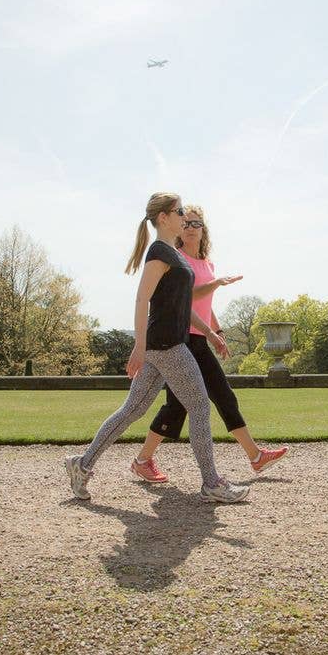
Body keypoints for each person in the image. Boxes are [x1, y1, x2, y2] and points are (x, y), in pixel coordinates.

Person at [63, 193, 249, 504]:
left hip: (161, 347)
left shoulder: (172, 254)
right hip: (165, 346)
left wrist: (210, 334)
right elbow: (141, 299)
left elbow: (183, 305)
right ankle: (212, 483)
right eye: (179, 212)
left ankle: (81, 465)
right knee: (200, 406)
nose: (184, 218)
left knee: (132, 410)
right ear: (163, 218)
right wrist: (139, 345)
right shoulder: (159, 253)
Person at [129, 205, 288, 484]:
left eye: (196, 223)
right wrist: (216, 284)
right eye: (186, 223)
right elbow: (188, 298)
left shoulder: (205, 263)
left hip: (199, 337)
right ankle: (253, 456)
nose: (190, 227)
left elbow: (205, 305)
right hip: (182, 338)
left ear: (204, 229)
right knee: (200, 399)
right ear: (178, 228)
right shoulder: (175, 260)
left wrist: (218, 331)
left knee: (189, 402)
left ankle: (144, 459)